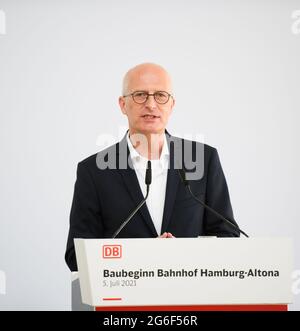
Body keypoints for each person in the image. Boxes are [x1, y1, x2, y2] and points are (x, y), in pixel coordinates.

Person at [65, 63, 239, 271]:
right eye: (140, 95)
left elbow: (228, 238)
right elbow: (77, 256)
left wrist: (185, 254)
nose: (151, 104)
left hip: (192, 297)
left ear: (172, 104)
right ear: (122, 105)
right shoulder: (93, 171)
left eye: (160, 95)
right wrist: (144, 257)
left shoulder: (203, 159)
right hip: (125, 299)